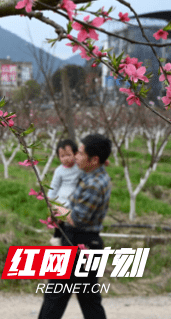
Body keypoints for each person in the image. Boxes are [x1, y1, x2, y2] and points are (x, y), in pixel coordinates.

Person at [38, 133, 112, 319]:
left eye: (79, 153)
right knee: (88, 299)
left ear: (94, 159)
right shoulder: (90, 174)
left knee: (56, 294)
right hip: (83, 242)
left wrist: (54, 207)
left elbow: (76, 218)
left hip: (80, 242)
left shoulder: (94, 184)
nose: (76, 157)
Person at [48, 139, 81, 246]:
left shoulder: (80, 167)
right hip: (61, 200)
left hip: (75, 200)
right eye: (62, 156)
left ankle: (73, 242)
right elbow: (54, 186)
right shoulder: (59, 170)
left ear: (75, 154)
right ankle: (57, 238)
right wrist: (50, 200)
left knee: (71, 224)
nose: (65, 158)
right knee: (59, 221)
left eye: (68, 155)